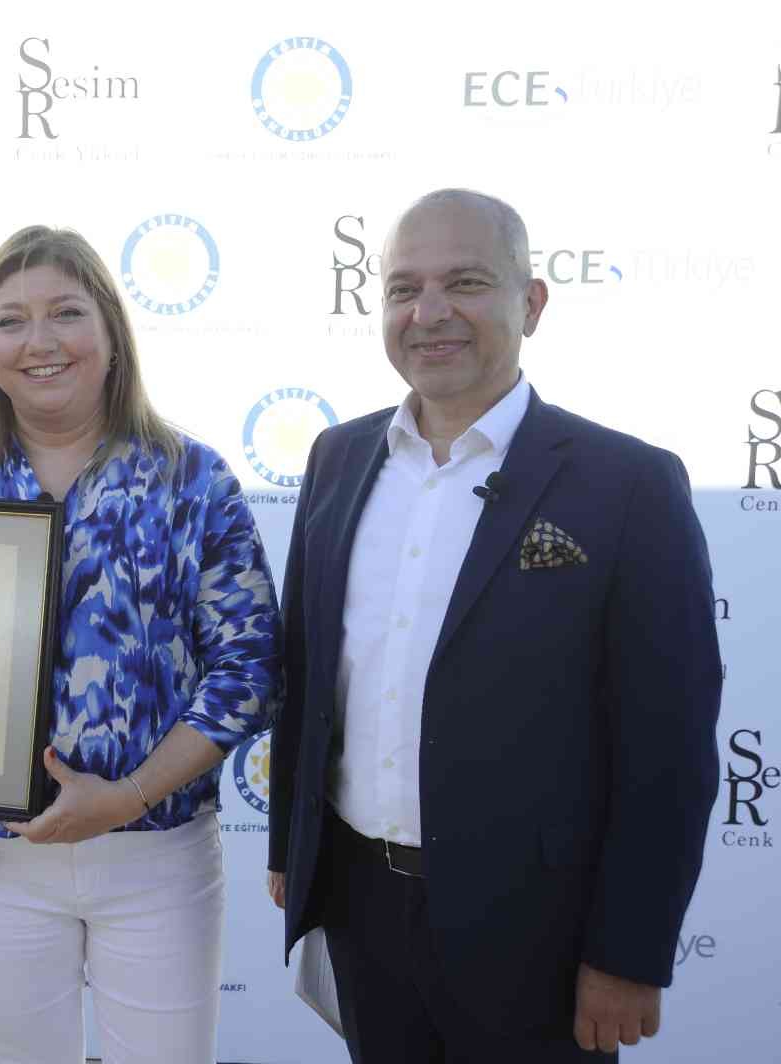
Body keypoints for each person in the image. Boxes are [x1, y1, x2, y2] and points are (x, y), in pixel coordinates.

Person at [267, 189, 721, 1062]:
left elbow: (667, 750)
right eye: (404, 289)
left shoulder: (628, 484)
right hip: (361, 911)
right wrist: (295, 846)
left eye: (466, 282)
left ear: (532, 303)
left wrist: (627, 954)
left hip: (538, 934)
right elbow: (311, 670)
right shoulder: (337, 458)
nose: (429, 312)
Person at [0, 225, 282, 1063]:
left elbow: (249, 670)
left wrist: (131, 794)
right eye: (10, 320)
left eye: (66, 312)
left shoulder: (192, 479)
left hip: (156, 855)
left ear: (111, 331)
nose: (39, 341)